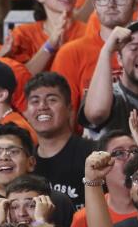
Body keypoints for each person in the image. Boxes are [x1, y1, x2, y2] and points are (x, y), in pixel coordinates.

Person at [26, 72, 90, 206]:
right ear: (26, 113)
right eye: (35, 101)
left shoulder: (92, 154)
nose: (42, 106)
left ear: (70, 110)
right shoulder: (25, 163)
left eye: (52, 100)